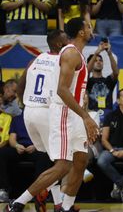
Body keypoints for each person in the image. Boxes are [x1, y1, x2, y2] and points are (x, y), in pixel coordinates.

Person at [7, 19, 99, 212]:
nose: (92, 29)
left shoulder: (67, 55)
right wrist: (86, 117)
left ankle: (65, 207)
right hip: (63, 112)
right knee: (63, 165)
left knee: (81, 160)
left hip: (62, 111)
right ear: (81, 33)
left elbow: (72, 88)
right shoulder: (71, 53)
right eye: (88, 27)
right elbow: (62, 90)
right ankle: (18, 203)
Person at [86, 39, 119, 111]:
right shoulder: (87, 81)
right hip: (92, 115)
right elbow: (86, 72)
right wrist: (96, 53)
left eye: (100, 60)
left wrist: (109, 54)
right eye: (95, 61)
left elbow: (116, 73)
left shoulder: (108, 81)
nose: (98, 62)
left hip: (108, 116)